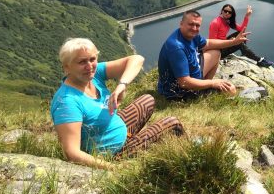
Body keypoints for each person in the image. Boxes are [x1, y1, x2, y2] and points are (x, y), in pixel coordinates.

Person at [51, 38, 184, 169]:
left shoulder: (93, 75)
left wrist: (122, 85)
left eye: (92, 59)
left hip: (113, 130)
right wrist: (114, 168)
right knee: (172, 123)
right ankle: (186, 159)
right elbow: (71, 152)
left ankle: (139, 140)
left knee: (147, 100)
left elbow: (137, 59)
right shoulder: (67, 102)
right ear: (67, 67)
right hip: (113, 154)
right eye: (82, 62)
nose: (89, 66)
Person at [157, 9, 249, 100]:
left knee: (216, 53)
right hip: (178, 91)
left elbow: (208, 43)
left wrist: (233, 42)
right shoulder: (176, 47)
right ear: (181, 24)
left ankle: (204, 88)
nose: (194, 28)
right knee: (231, 90)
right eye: (191, 24)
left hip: (192, 74)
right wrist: (212, 83)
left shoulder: (191, 35)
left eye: (197, 25)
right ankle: (201, 92)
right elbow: (184, 82)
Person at [209, 3, 273, 67]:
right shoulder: (215, 23)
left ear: (232, 14)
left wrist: (247, 16)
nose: (227, 13)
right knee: (239, 43)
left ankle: (244, 51)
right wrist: (230, 41)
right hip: (218, 51)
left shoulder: (227, 21)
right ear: (222, 11)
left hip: (223, 44)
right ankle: (259, 60)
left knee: (241, 34)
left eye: (230, 12)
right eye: (225, 11)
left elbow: (242, 29)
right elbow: (212, 43)